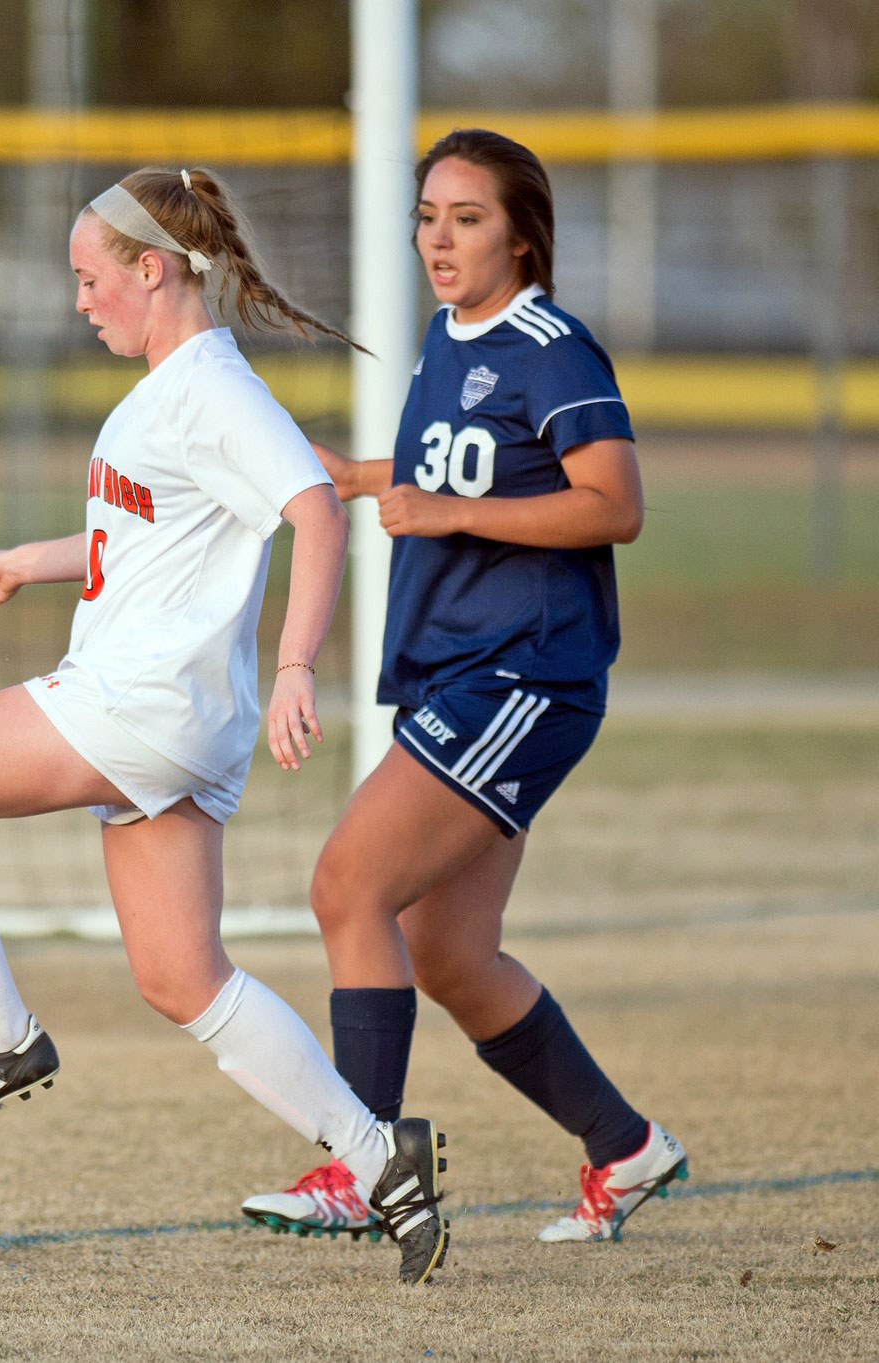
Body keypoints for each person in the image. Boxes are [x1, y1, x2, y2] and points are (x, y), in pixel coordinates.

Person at [0, 167, 449, 1285]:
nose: (80, 301)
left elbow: (315, 511)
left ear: (150, 268)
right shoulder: (163, 391)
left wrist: (291, 667)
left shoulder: (212, 390)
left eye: (89, 278)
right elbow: (133, 547)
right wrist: (23, 567)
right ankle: (381, 1160)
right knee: (182, 978)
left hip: (138, 703)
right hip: (173, 725)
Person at [239, 129, 687, 1245]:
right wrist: (360, 477)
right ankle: (625, 1146)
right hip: (462, 672)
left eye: (466, 217)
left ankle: (363, 1165)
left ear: (522, 234)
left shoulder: (553, 347)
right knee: (448, 953)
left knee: (346, 885)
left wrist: (444, 513)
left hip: (522, 674)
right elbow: (459, 466)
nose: (437, 238)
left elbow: (610, 504)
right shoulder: (447, 335)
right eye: (426, 216)